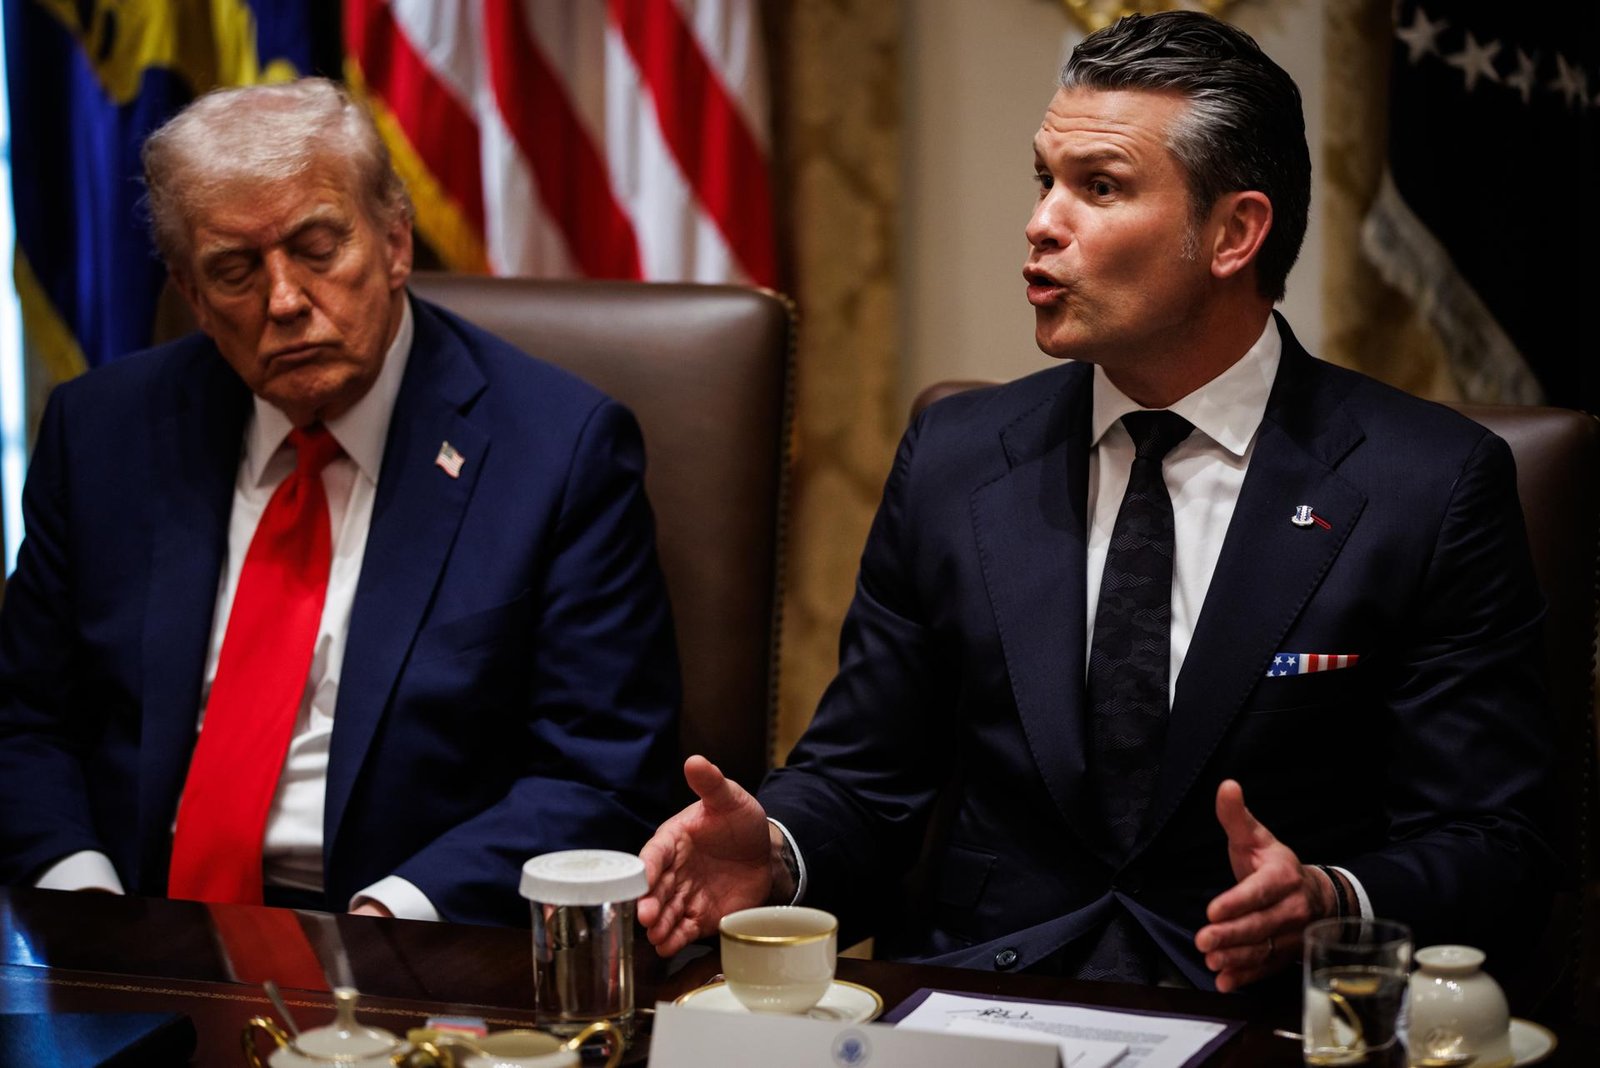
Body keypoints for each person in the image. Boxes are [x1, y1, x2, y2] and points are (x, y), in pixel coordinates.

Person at [639, 11, 1554, 990]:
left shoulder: (1425, 485)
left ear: (1234, 233)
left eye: (1100, 187)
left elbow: (1491, 839)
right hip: (987, 999)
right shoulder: (956, 459)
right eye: (1045, 179)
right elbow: (866, 778)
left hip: (1258, 1013)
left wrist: (1331, 901)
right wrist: (777, 852)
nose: (1042, 222)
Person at [0, 79, 680, 926]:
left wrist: (391, 923)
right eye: (235, 272)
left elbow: (601, 774)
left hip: (409, 939)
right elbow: (24, 724)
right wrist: (87, 907)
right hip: (130, 924)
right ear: (193, 296)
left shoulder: (558, 452)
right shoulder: (99, 433)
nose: (285, 301)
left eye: (317, 249)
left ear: (394, 243)